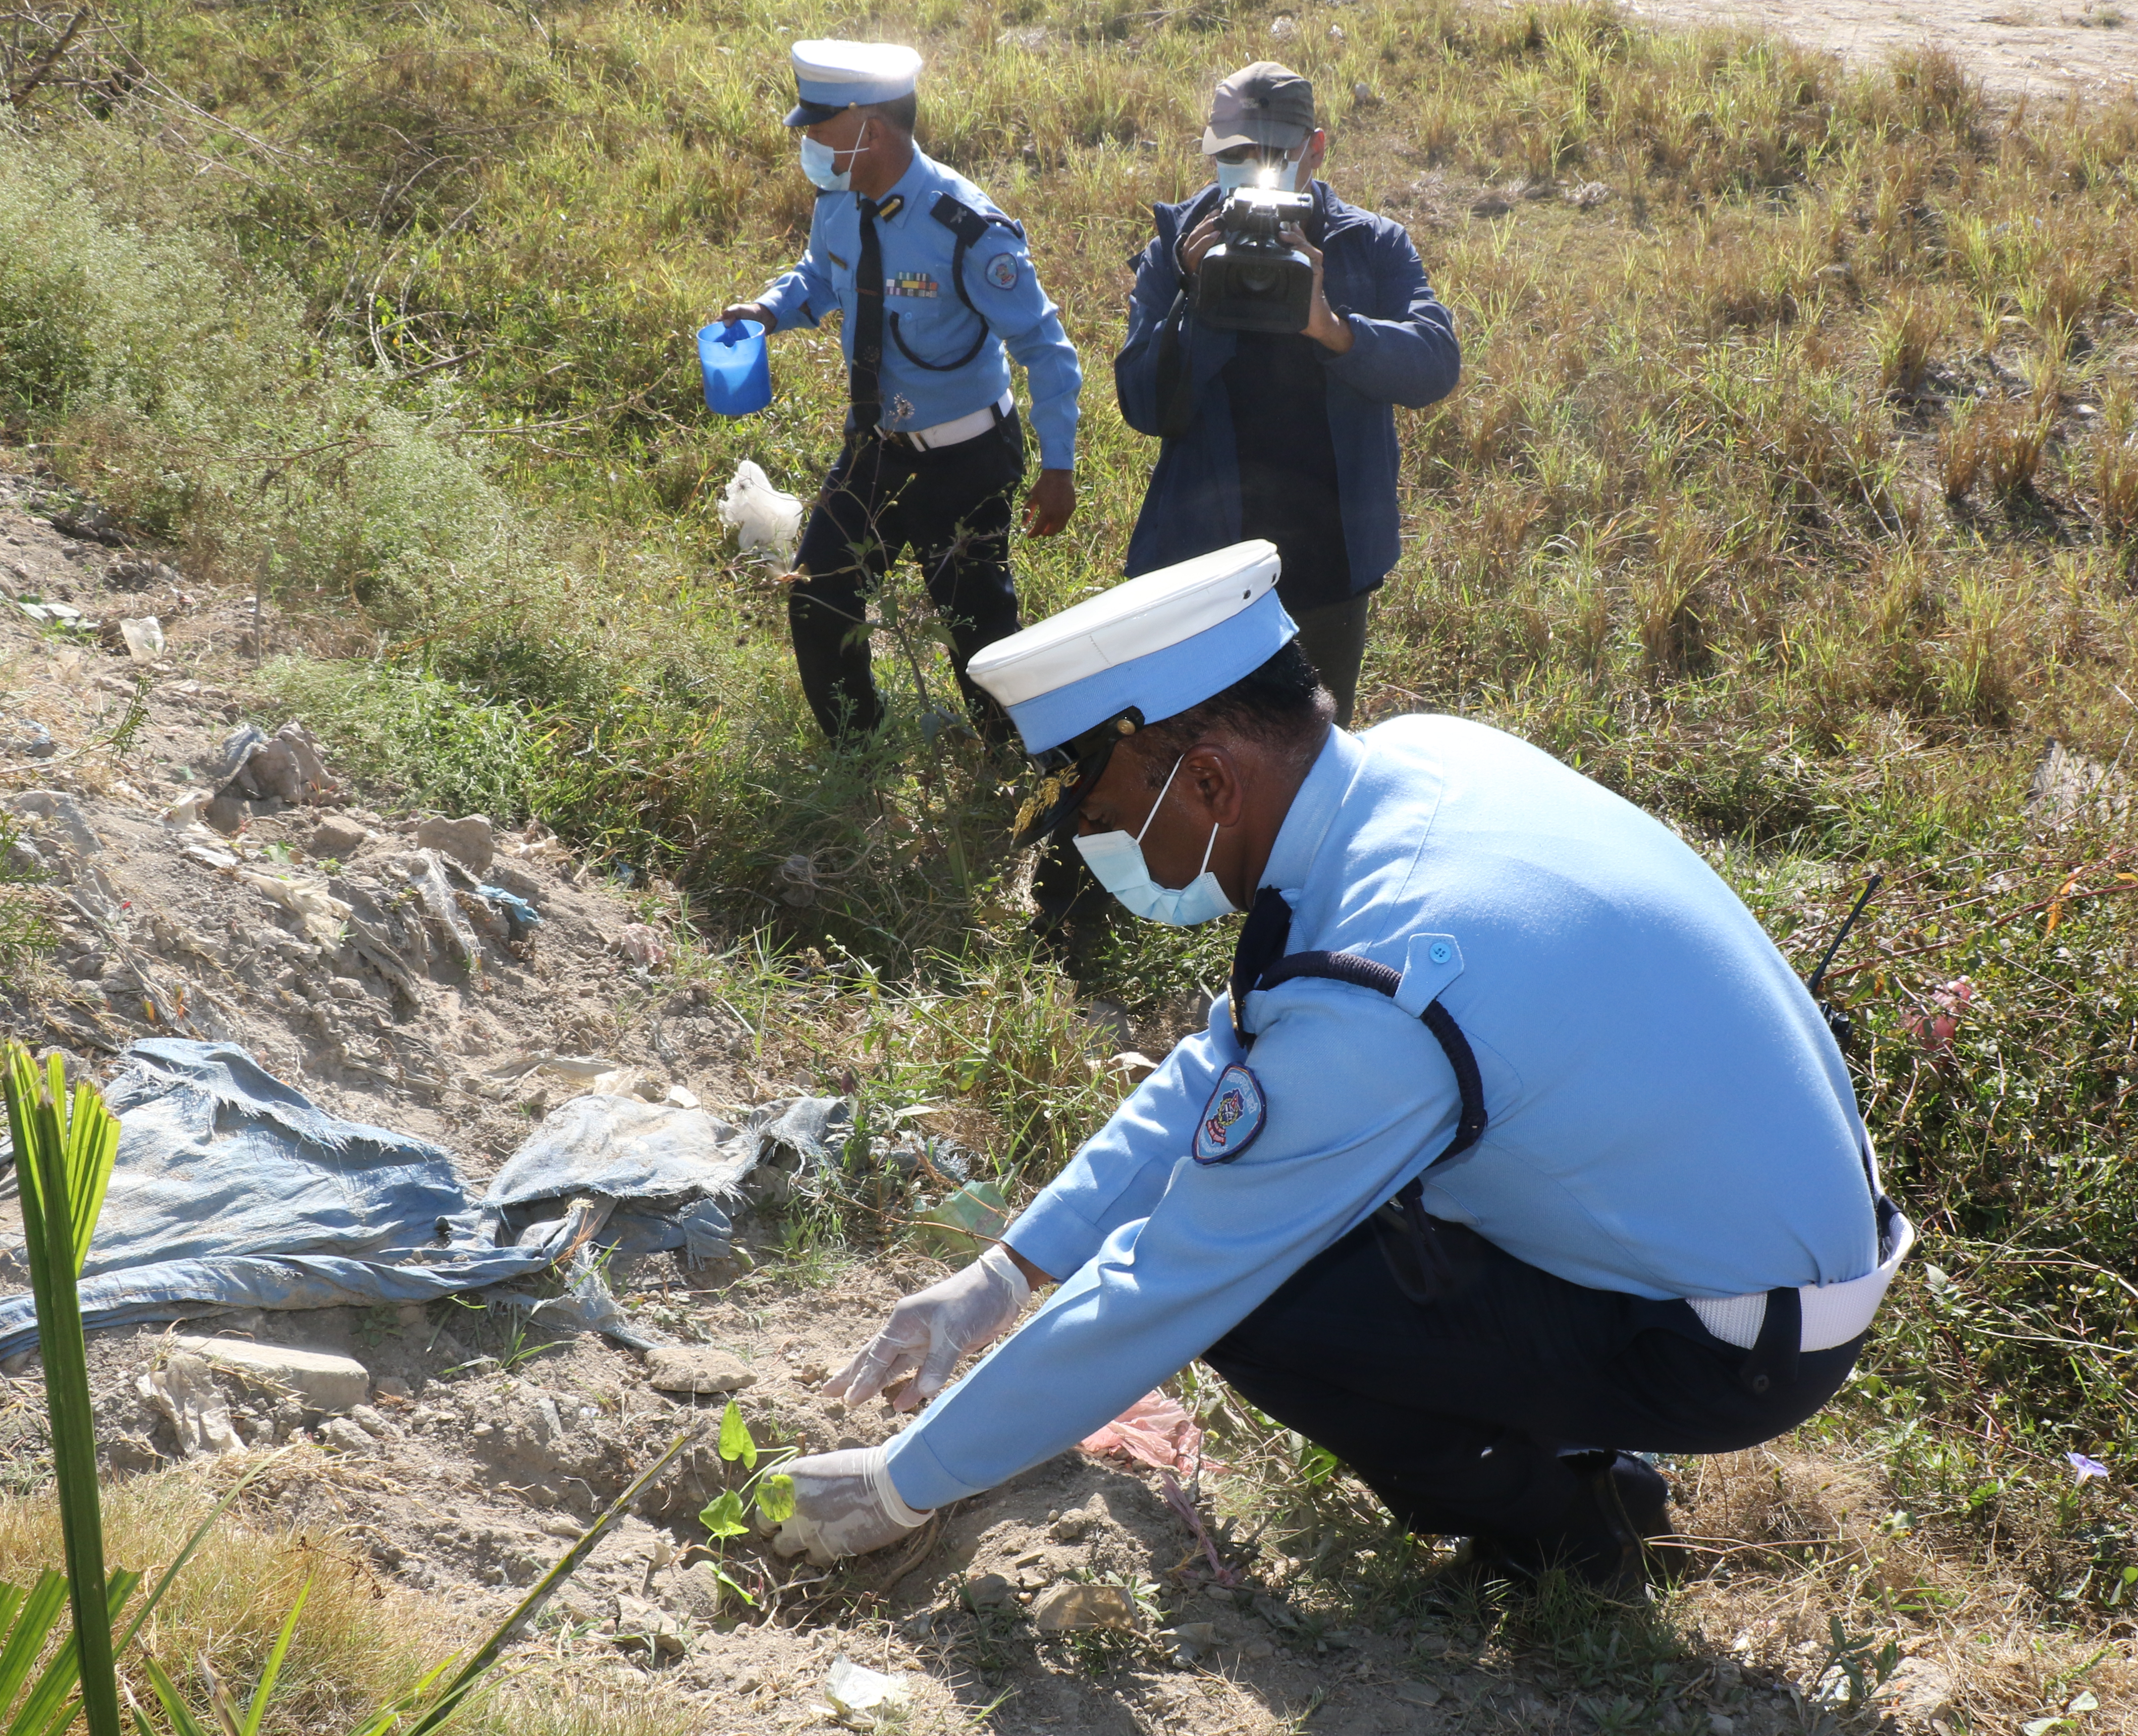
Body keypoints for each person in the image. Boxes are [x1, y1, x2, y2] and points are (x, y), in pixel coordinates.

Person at [755, 541, 1914, 1590]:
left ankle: (1574, 1524)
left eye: (1102, 818)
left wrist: (902, 1483)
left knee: (1257, 1295)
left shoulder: (1382, 985)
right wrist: (1003, 1275)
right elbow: (1227, 1066)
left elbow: (1168, 1283)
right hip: (1774, 1233)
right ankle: (1557, 1438)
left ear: (1208, 782)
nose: (1101, 848)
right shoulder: (1415, 763)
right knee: (1300, 1203)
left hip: (1729, 1340)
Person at [725, 40, 1084, 740]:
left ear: (871, 129)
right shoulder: (839, 201)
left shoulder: (965, 228)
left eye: (820, 128)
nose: (808, 142)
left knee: (977, 630)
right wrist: (769, 309)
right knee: (818, 594)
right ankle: (855, 747)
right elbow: (820, 276)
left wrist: (1059, 466)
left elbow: (1045, 346)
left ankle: (1011, 759)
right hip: (875, 448)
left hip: (966, 459)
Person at [1111, 63, 1458, 724]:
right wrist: (1197, 295)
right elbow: (1144, 406)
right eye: (1235, 154)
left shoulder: (1369, 243)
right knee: (1201, 741)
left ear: (1315, 149)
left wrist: (1333, 330)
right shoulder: (1180, 246)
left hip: (1328, 564)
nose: (1252, 170)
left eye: (1271, 154)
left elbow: (1435, 364)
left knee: (1314, 743)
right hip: (1203, 563)